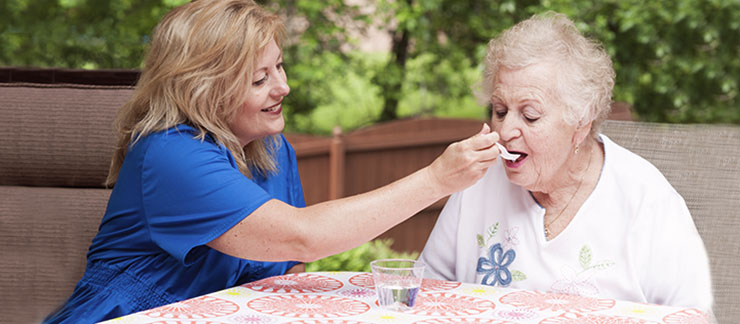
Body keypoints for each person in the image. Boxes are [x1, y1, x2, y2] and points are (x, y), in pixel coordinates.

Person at [43, 1, 502, 322]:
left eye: (279, 67)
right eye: (260, 78)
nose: (283, 87)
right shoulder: (170, 153)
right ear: (204, 88)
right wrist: (437, 179)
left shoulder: (271, 149)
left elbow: (288, 269)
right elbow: (302, 238)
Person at [418, 12, 713, 312]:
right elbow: (426, 291)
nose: (505, 131)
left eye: (530, 115)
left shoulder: (646, 201)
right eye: (500, 110)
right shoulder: (476, 181)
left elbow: (692, 315)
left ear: (581, 121)